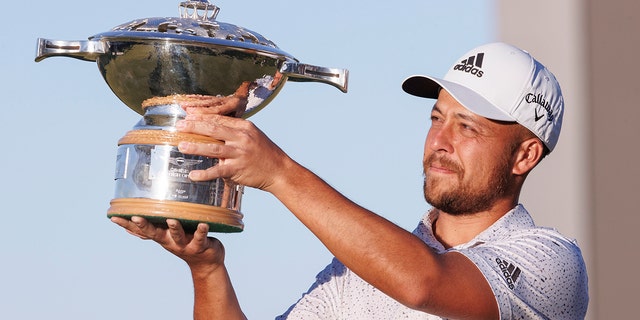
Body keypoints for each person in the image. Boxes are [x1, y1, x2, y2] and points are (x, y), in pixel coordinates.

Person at [111, 42, 589, 319]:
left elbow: (424, 283)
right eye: (437, 118)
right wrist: (207, 270)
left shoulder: (551, 261)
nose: (439, 141)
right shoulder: (360, 270)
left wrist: (277, 171)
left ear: (525, 155)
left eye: (468, 127)